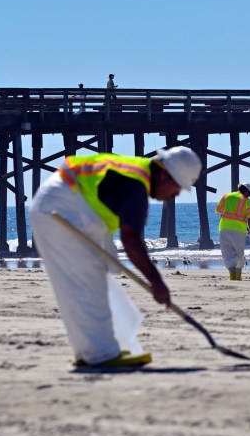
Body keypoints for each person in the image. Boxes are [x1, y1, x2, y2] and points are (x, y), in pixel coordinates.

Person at [29, 146, 203, 368]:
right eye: (178, 186)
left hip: (59, 204)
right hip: (61, 209)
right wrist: (157, 282)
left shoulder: (135, 176)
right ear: (163, 174)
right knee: (87, 282)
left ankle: (91, 350)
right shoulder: (134, 187)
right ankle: (100, 354)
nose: (177, 194)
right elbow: (131, 240)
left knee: (85, 282)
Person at [215, 182, 250, 281]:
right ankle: (237, 277)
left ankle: (232, 276)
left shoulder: (226, 196)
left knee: (227, 252)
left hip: (224, 228)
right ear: (247, 191)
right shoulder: (246, 201)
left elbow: (219, 210)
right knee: (239, 253)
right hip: (238, 230)